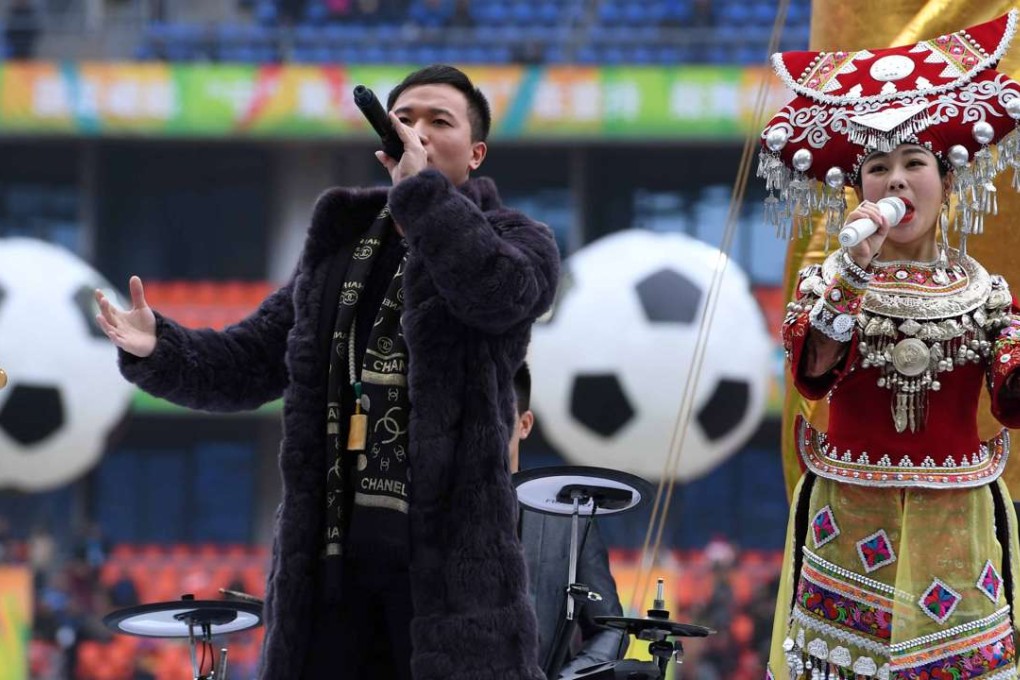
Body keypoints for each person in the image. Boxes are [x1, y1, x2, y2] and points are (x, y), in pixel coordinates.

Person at [95, 65, 560, 680]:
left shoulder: (516, 239)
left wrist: (424, 199)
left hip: (448, 575)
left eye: (439, 121)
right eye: (407, 118)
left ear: (475, 154)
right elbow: (251, 362)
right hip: (333, 569)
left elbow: (497, 295)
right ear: (385, 141)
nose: (418, 130)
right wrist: (161, 348)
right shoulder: (339, 251)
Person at [756, 12, 1020, 679]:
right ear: (857, 189)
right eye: (878, 167)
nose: (897, 180)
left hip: (957, 525)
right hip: (849, 520)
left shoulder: (987, 294)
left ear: (947, 181)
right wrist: (853, 268)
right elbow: (812, 370)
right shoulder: (829, 284)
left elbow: (1013, 400)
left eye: (914, 163)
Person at [510, 362, 627, 677]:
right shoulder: (435, 509)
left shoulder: (568, 520)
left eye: (498, 419)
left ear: (524, 424)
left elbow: (610, 628)